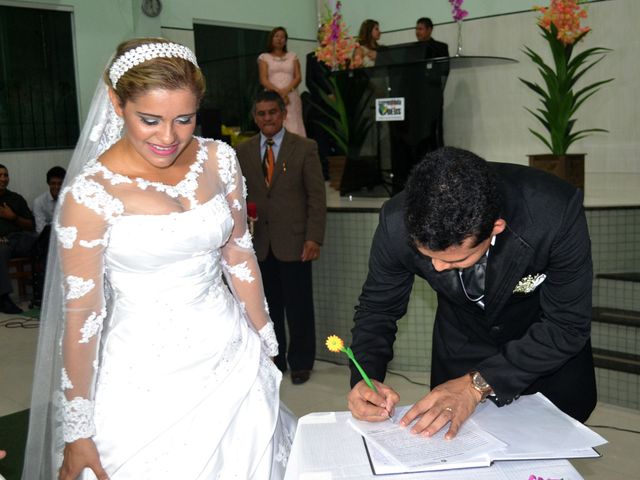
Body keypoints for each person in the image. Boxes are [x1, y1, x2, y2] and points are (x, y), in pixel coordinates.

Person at [22, 38, 295, 479]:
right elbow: (84, 315)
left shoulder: (219, 158)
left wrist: (263, 333)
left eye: (184, 119)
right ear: (116, 102)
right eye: (149, 120)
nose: (168, 137)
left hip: (228, 347)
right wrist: (77, 429)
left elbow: (238, 250)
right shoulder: (91, 195)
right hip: (145, 373)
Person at [347, 147, 596, 440]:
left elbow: (566, 324)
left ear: (495, 228)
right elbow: (378, 308)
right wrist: (366, 376)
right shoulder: (395, 222)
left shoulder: (553, 213)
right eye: (428, 257)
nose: (438, 269)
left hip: (545, 363)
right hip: (459, 355)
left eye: (455, 261)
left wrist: (477, 384)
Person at [237, 90, 326, 385]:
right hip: (259, 243)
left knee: (299, 306)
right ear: (255, 117)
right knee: (268, 306)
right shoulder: (243, 150)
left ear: (283, 114)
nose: (267, 119)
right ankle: (276, 357)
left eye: (272, 112)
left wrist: (314, 237)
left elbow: (316, 196)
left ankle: (301, 362)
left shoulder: (304, 147)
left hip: (296, 243)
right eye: (261, 114)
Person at [0, 164, 36, 314]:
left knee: (44, 243)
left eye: (5, 175)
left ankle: (44, 290)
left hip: (19, 239)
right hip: (2, 243)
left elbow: (31, 225)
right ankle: (3, 298)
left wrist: (13, 217)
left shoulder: (16, 198)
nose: (3, 179)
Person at [258, 27, 306, 137]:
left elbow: (298, 77)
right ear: (271, 39)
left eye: (283, 37)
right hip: (272, 96)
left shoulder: (292, 56)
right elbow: (263, 79)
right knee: (275, 122)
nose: (280, 39)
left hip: (291, 95)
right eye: (277, 36)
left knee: (294, 124)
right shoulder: (264, 57)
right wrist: (279, 94)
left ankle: (297, 151)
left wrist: (286, 91)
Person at [32, 166, 66, 234]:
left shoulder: (70, 200)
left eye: (60, 184)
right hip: (47, 239)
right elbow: (40, 229)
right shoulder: (39, 202)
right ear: (48, 183)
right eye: (53, 183)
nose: (56, 187)